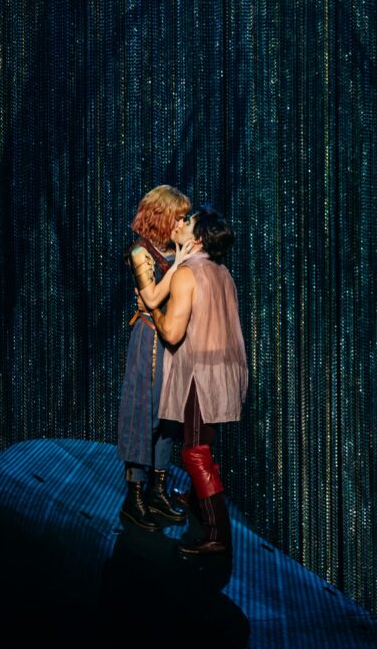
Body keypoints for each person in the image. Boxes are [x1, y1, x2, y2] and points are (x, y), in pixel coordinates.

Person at [148, 206, 247, 556]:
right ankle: (193, 500)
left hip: (199, 375)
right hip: (224, 371)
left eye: (187, 222)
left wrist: (152, 309)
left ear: (199, 238)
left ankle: (217, 534)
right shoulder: (223, 273)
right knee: (202, 442)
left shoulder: (186, 274)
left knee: (193, 451)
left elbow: (173, 333)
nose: (180, 223)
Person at [117, 185, 199, 531]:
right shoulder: (140, 251)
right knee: (144, 414)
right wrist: (179, 265)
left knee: (169, 417)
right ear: (162, 217)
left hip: (174, 339)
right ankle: (134, 496)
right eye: (177, 216)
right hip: (150, 339)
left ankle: (158, 490)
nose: (181, 222)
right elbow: (150, 299)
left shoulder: (176, 248)